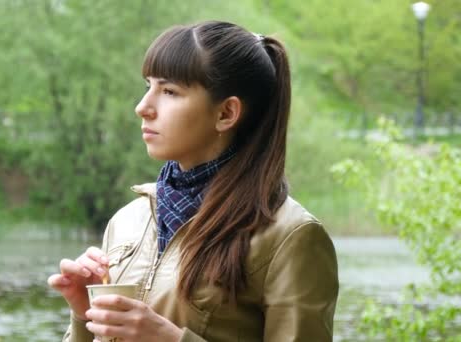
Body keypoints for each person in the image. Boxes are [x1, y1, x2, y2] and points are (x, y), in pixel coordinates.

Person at [48, 20, 339, 342]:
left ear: (226, 113)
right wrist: (82, 317)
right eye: (149, 86)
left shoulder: (290, 236)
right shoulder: (128, 220)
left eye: (169, 91)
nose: (142, 108)